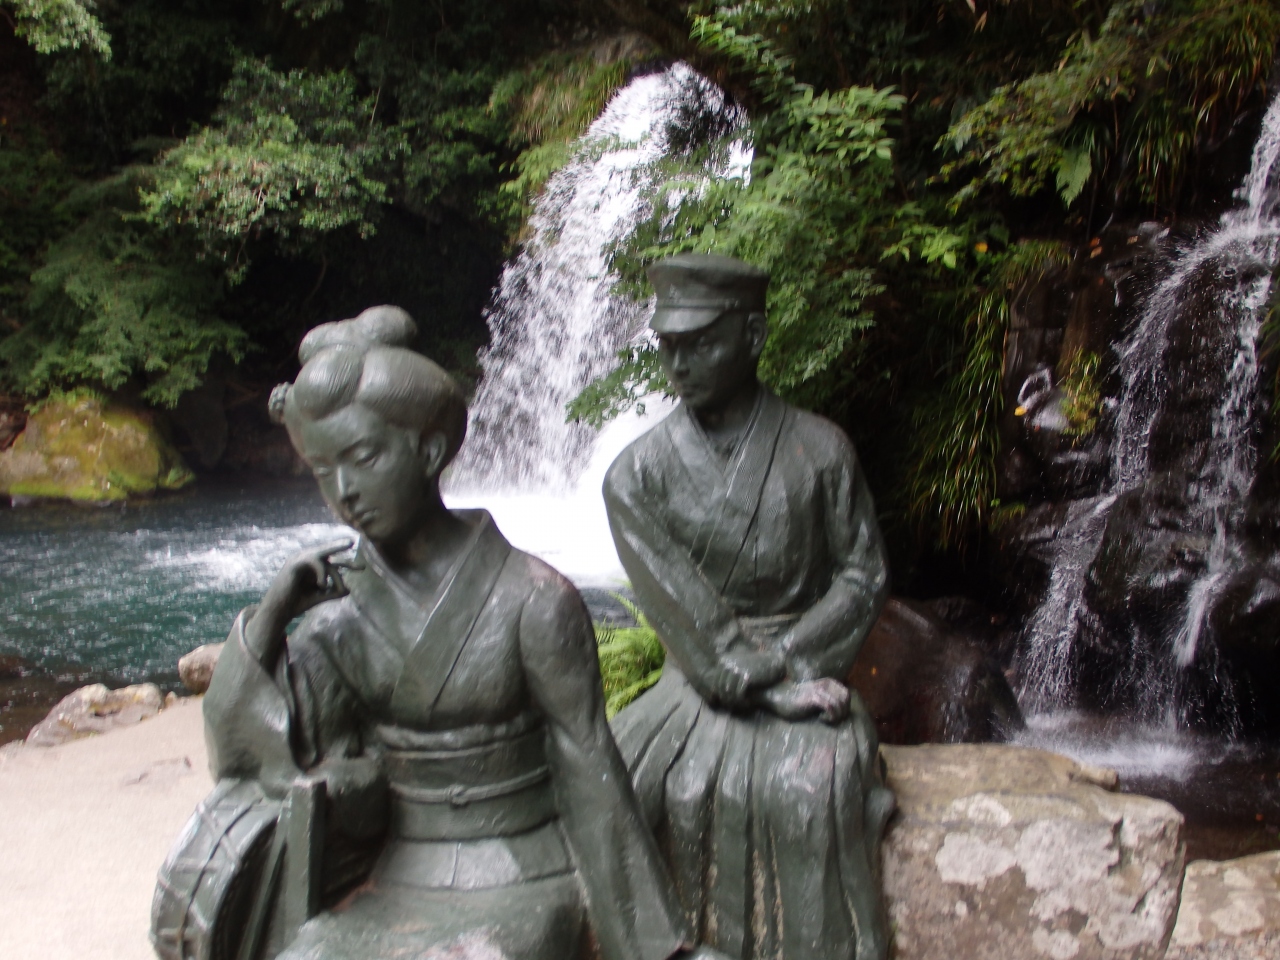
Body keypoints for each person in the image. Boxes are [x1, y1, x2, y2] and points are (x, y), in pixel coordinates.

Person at [151, 306, 728, 960]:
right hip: (396, 873)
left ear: (428, 450)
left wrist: (655, 945)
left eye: (363, 457)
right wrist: (270, 616)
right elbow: (243, 760)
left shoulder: (534, 601)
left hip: (521, 871)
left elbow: (589, 771)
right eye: (322, 470)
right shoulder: (341, 621)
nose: (344, 491)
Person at [604, 255, 895, 960]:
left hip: (806, 662)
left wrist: (787, 662)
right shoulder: (634, 476)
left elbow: (863, 576)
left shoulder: (821, 450)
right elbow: (677, 608)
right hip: (696, 678)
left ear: (755, 337)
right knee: (626, 785)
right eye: (670, 346)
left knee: (807, 790)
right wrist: (756, 683)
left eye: (702, 343)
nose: (680, 364)